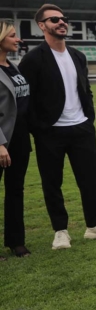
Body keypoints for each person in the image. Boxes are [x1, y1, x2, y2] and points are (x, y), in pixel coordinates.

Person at [18, 4, 96, 249]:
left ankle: (94, 225)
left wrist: (89, 117)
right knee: (52, 183)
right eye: (54, 19)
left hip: (82, 129)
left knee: (89, 180)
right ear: (42, 25)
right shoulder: (33, 59)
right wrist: (39, 128)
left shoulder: (78, 56)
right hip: (50, 132)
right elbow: (26, 99)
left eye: (63, 18)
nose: (61, 22)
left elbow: (86, 89)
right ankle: (60, 231)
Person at [0, 21, 32, 257]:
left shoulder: (13, 67)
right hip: (2, 141)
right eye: (12, 35)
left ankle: (16, 241)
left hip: (19, 139)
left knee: (15, 190)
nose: (17, 39)